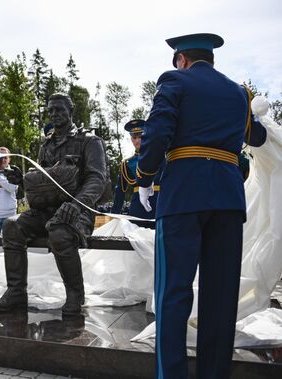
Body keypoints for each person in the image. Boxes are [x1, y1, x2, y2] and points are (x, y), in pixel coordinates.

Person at [136, 34, 267, 379]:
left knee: (174, 294)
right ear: (212, 60)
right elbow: (257, 137)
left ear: (180, 59)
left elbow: (159, 131)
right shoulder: (239, 92)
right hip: (226, 198)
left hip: (184, 195)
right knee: (221, 298)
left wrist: (145, 176)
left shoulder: (175, 81)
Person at [0, 93, 107, 316]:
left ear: (71, 112)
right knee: (11, 226)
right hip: (47, 210)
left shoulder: (89, 141)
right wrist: (22, 182)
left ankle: (75, 295)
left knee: (59, 232)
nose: (54, 114)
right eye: (51, 110)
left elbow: (97, 179)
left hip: (77, 211)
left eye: (60, 109)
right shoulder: (47, 145)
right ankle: (16, 293)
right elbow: (45, 181)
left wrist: (76, 205)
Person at [111, 119, 162, 219]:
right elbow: (120, 191)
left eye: (140, 136)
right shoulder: (127, 163)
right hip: (137, 208)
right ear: (131, 139)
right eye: (134, 137)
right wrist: (114, 214)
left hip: (159, 203)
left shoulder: (159, 156)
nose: (137, 140)